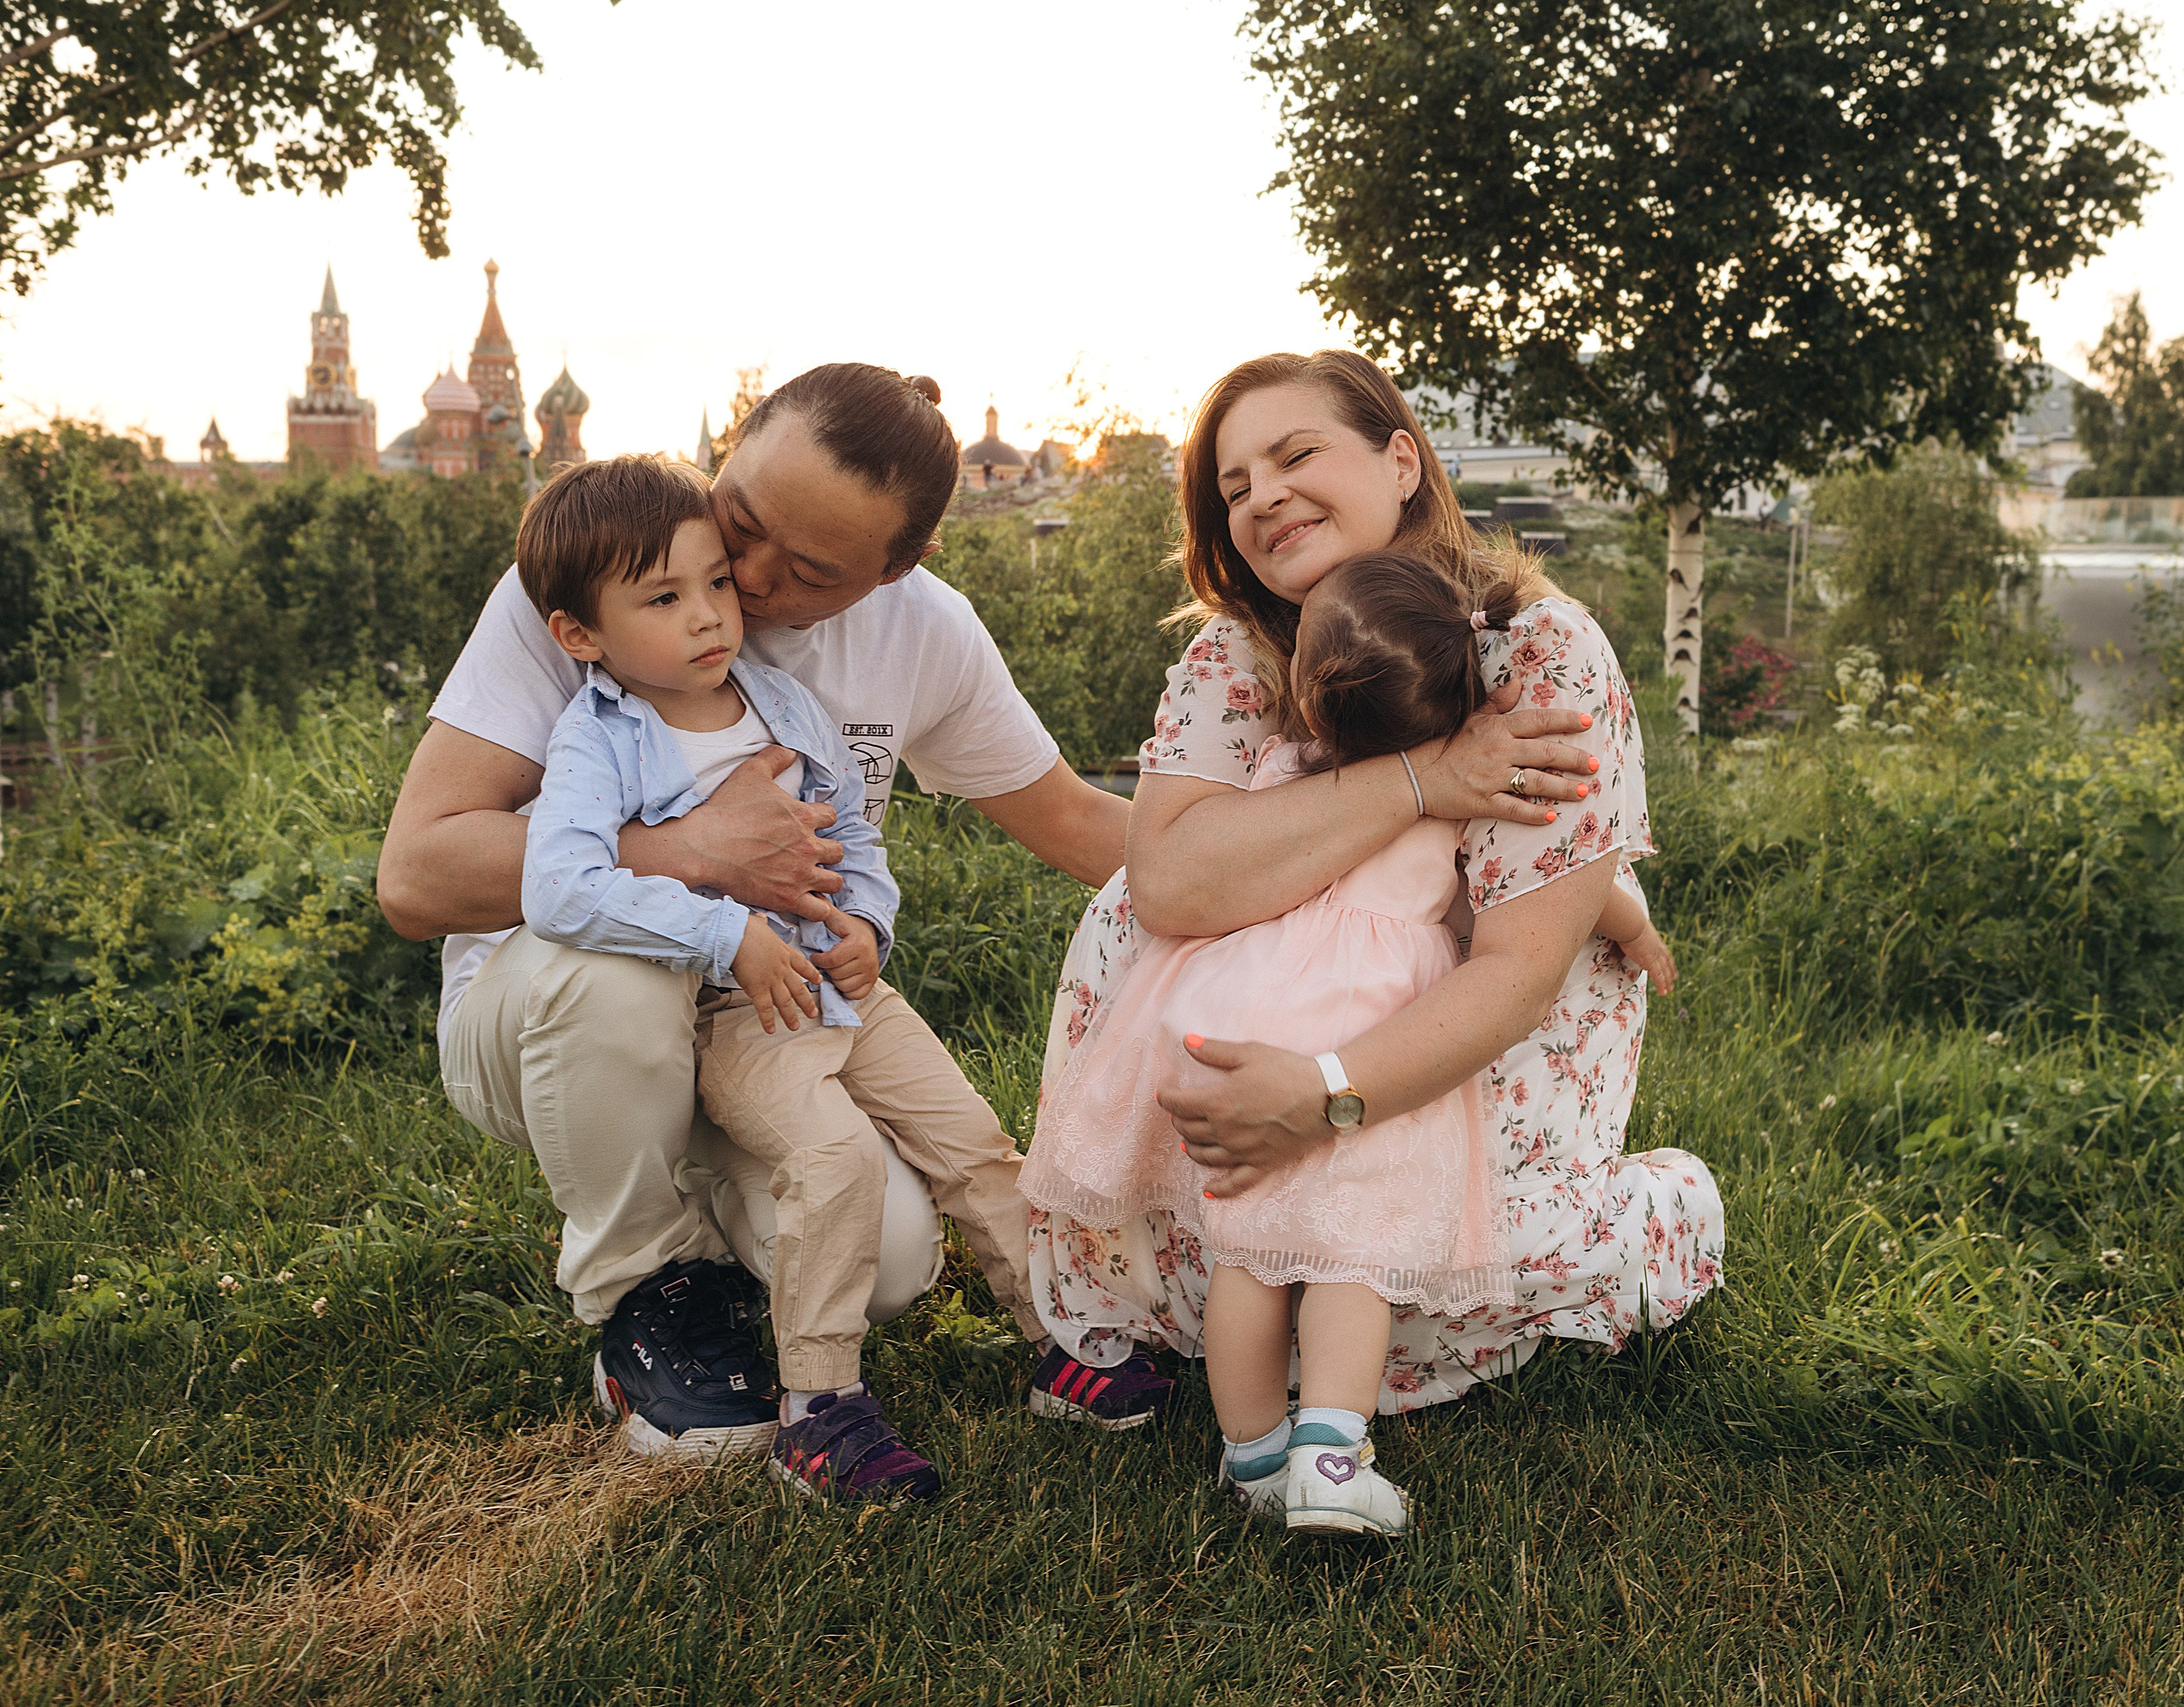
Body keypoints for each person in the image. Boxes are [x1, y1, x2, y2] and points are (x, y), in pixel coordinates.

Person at [382, 362, 1599, 1456]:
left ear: (891, 575)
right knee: (615, 985)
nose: (742, 584)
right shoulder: (605, 576)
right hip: (555, 1016)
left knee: (896, 1264)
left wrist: (1438, 858)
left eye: (806, 572)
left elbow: (1081, 825)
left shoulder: (920, 636)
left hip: (767, 1013)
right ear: (733, 448)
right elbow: (418, 875)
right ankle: (646, 1294)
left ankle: (730, 1225)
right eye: (740, 523)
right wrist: (688, 850)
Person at [1025, 351, 1722, 1418]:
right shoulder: (1233, 657)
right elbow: (1168, 884)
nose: (1263, 496)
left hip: (1452, 1059)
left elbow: (1519, 966)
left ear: (1401, 460)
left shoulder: (1536, 649)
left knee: (1431, 1285)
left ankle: (1645, 1214)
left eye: (1295, 454)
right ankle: (1184, 1285)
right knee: (1124, 907)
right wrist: (1422, 780)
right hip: (1236, 1056)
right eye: (1234, 486)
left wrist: (1322, 1099)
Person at [513, 453, 1046, 1501]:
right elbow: (559, 885)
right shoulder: (600, 740)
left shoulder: (778, 703)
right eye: (665, 599)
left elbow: (851, 829)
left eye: (715, 581)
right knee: (835, 1155)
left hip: (846, 987)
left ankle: (1071, 1340)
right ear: (583, 635)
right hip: (736, 1011)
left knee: (977, 1145)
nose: (712, 615)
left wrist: (866, 924)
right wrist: (724, 936)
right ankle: (821, 1409)